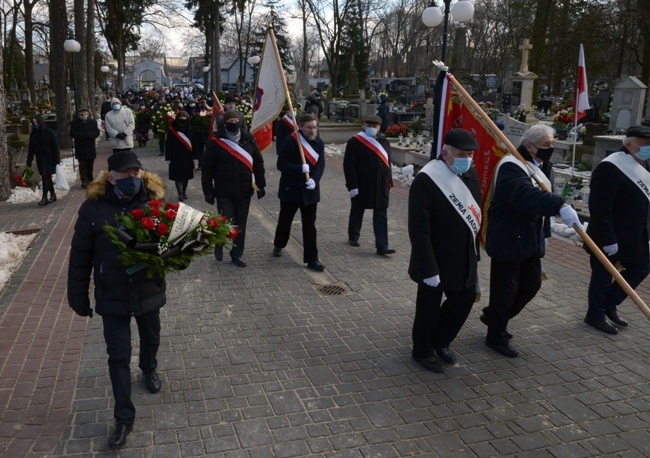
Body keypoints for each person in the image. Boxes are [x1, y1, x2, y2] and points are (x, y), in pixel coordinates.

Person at [67, 152, 166, 448]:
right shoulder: (92, 210)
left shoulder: (153, 204)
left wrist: (178, 257)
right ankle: (124, 418)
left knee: (151, 336)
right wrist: (77, 296)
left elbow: (171, 244)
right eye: (126, 175)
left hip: (147, 288)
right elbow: (80, 256)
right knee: (118, 356)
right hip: (112, 292)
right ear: (111, 178)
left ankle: (149, 368)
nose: (132, 179)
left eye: (137, 174)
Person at [482, 123, 582, 358]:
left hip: (530, 239)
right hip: (508, 239)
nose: (551, 148)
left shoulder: (541, 164)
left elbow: (543, 198)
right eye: (547, 144)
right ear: (530, 145)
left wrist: (545, 233)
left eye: (552, 143)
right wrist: (560, 205)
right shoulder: (511, 166)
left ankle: (494, 316)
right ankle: (495, 335)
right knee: (504, 293)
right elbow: (525, 196)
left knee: (531, 285)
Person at [408, 129, 482, 372]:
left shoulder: (470, 174)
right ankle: (422, 350)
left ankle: (441, 340)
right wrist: (428, 268)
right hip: (434, 256)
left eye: (470, 154)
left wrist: (475, 251)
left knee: (465, 298)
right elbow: (419, 229)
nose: (467, 159)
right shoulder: (427, 179)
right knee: (428, 307)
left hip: (463, 255)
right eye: (461, 154)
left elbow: (476, 214)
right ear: (445, 152)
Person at [584, 125, 650, 334]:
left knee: (641, 267)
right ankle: (594, 315)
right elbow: (599, 207)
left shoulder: (644, 163)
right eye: (645, 146)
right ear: (629, 145)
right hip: (608, 234)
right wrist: (608, 239)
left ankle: (609, 304)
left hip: (634, 234)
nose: (648, 149)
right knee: (602, 275)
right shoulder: (611, 166)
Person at [202, 109, 266, 268]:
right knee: (226, 222)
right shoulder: (216, 142)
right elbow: (207, 168)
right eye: (230, 121)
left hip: (244, 190)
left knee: (241, 223)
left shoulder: (248, 140)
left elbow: (258, 163)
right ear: (225, 123)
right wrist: (208, 191)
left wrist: (261, 184)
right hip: (224, 190)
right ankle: (219, 243)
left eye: (236, 121)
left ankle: (237, 254)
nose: (233, 124)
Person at [272, 114, 326, 271]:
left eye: (315, 127)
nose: (312, 130)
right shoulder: (290, 141)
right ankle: (279, 244)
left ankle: (312, 259)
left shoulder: (319, 143)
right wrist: (298, 169)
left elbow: (321, 164)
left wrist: (314, 180)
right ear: (300, 126)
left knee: (310, 225)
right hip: (291, 189)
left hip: (310, 190)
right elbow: (281, 164)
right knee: (285, 221)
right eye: (309, 127)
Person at [344, 115, 396, 255]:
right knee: (357, 211)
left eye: (375, 126)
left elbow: (388, 162)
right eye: (369, 125)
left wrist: (389, 180)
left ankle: (382, 246)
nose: (372, 128)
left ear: (379, 128)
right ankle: (353, 236)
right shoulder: (355, 142)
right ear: (364, 126)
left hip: (380, 184)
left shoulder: (384, 141)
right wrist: (352, 185)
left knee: (381, 215)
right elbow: (349, 166)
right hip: (362, 183)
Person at [27, 114, 60, 206]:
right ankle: (53, 194)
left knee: (45, 176)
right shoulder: (33, 134)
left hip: (49, 158)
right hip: (40, 158)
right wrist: (29, 161)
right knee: (47, 177)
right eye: (33, 123)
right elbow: (31, 149)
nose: (35, 124)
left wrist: (57, 158)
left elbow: (55, 146)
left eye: (36, 122)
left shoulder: (49, 132)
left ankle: (44, 197)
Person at [165, 110, 197, 202]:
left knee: (186, 176)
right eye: (181, 117)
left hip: (187, 156)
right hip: (176, 156)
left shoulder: (190, 129)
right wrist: (168, 157)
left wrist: (195, 157)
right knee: (178, 176)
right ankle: (180, 194)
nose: (183, 119)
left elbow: (194, 143)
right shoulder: (172, 129)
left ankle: (184, 191)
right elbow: (169, 145)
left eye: (185, 117)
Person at [69, 108, 101, 188]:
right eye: (82, 114)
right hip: (80, 146)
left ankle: (90, 179)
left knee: (90, 165)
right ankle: (84, 181)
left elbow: (96, 132)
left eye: (85, 113)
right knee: (82, 165)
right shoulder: (75, 123)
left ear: (88, 114)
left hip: (90, 146)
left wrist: (89, 135)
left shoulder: (93, 122)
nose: (83, 115)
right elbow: (72, 133)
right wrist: (81, 135)